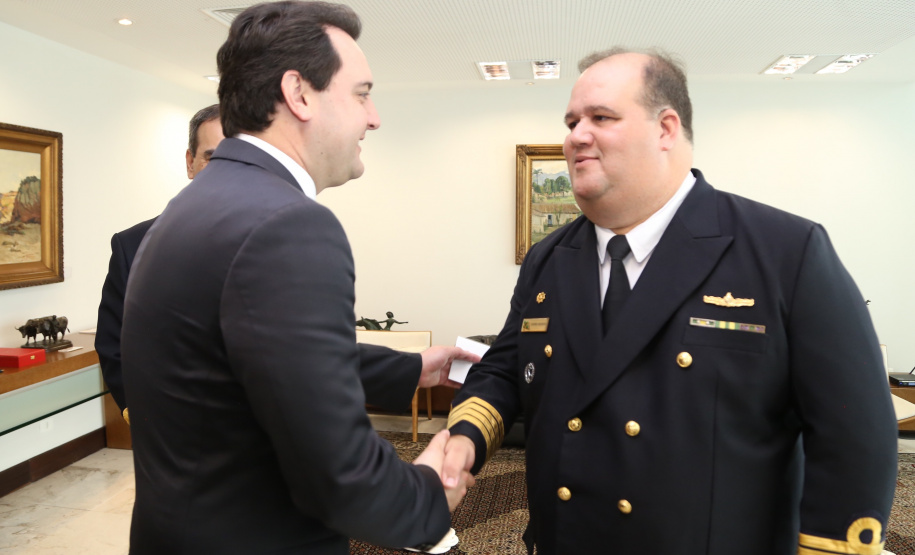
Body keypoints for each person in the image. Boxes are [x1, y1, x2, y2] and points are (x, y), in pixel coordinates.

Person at [443, 47, 897, 555]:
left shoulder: (784, 252)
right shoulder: (550, 259)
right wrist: (463, 439)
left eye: (601, 117)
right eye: (571, 121)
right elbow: (506, 369)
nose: (575, 136)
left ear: (665, 128)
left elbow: (853, 435)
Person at [121, 2, 475, 554]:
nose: (374, 116)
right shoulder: (288, 225)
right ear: (300, 93)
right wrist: (429, 493)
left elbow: (251, 358)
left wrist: (408, 371)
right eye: (361, 93)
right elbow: (340, 475)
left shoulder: (195, 204)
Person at [96, 104, 224, 419]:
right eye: (212, 157)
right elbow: (114, 339)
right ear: (190, 163)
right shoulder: (132, 245)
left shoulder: (280, 239)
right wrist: (131, 409)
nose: (225, 169)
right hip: (169, 429)